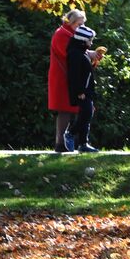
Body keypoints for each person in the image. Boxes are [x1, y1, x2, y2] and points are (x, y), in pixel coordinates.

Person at [48, 9, 85, 153]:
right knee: (65, 109)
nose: (81, 27)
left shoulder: (70, 34)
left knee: (72, 109)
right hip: (62, 77)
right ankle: (61, 143)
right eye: (79, 25)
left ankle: (68, 142)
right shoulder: (62, 34)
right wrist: (89, 55)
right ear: (71, 22)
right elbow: (71, 54)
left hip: (69, 76)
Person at [67, 24, 104, 152]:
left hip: (87, 89)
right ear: (83, 40)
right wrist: (79, 91)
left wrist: (94, 61)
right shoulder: (75, 54)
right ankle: (71, 133)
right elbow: (75, 75)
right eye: (90, 40)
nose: (91, 43)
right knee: (86, 113)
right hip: (81, 91)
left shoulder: (83, 52)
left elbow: (86, 71)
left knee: (87, 114)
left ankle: (83, 143)